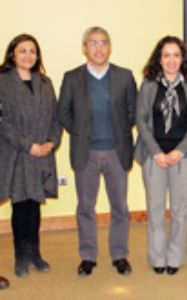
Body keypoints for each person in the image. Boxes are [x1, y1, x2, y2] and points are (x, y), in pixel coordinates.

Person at [57, 26, 137, 276]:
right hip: (86, 153)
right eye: (93, 43)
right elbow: (63, 113)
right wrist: (81, 132)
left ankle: (120, 255)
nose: (99, 48)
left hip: (116, 151)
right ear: (84, 48)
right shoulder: (72, 78)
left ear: (109, 47)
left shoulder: (124, 76)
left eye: (103, 43)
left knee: (120, 208)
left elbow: (133, 112)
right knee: (85, 208)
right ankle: (88, 256)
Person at [136, 36, 187, 275]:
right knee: (154, 209)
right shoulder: (148, 84)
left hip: (181, 156)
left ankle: (175, 257)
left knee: (179, 208)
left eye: (176, 55)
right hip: (153, 156)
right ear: (159, 59)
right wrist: (156, 152)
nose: (171, 60)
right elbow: (141, 121)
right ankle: (157, 257)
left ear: (183, 58)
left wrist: (179, 151)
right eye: (166, 55)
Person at [0, 34, 61, 278]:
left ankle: (35, 253)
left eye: (32, 51)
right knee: (20, 205)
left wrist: (51, 142)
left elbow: (56, 119)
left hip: (42, 154)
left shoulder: (45, 82)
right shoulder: (3, 82)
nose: (28, 55)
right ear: (12, 54)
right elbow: (3, 123)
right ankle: (21, 256)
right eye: (22, 50)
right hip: (16, 154)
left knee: (34, 205)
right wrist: (28, 145)